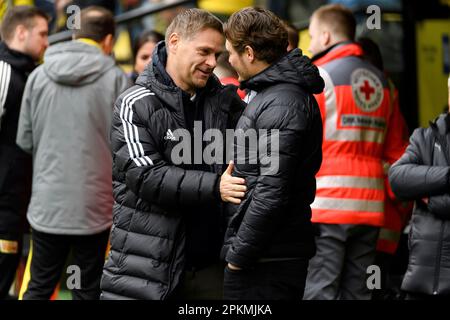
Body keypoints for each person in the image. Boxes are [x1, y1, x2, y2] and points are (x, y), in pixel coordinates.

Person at [100, 8, 245, 300]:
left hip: (211, 269)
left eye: (217, 55)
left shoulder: (225, 103)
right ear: (175, 42)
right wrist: (216, 187)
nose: (211, 63)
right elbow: (146, 176)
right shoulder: (134, 103)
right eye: (204, 51)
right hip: (146, 271)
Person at [16, 6, 129, 300]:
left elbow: (25, 141)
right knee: (86, 288)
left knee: (39, 286)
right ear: (108, 41)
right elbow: (124, 148)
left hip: (47, 203)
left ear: (76, 34)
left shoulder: (38, 76)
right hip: (95, 207)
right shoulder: (117, 79)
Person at [303, 4, 407, 300]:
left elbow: (303, 144)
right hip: (371, 209)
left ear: (325, 36)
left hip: (327, 206)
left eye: (311, 36)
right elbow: (397, 151)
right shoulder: (385, 83)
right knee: (357, 293)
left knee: (320, 290)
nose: (310, 45)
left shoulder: (318, 78)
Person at [221, 7, 324, 300]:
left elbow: (271, 191)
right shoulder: (274, 95)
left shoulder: (282, 102)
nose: (228, 59)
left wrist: (238, 255)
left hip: (266, 261)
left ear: (249, 53)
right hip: (267, 255)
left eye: (231, 52)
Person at [357, 36, 413, 300]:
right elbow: (399, 161)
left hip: (357, 223)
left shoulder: (336, 87)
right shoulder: (387, 92)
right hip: (381, 223)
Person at [0, 6, 49, 300]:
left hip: (18, 202)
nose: (47, 41)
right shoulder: (4, 71)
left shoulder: (30, 72)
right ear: (21, 32)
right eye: (42, 34)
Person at [388, 76, 450, 299]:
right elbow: (397, 178)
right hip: (420, 285)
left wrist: (428, 196)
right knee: (371, 281)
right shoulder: (425, 138)